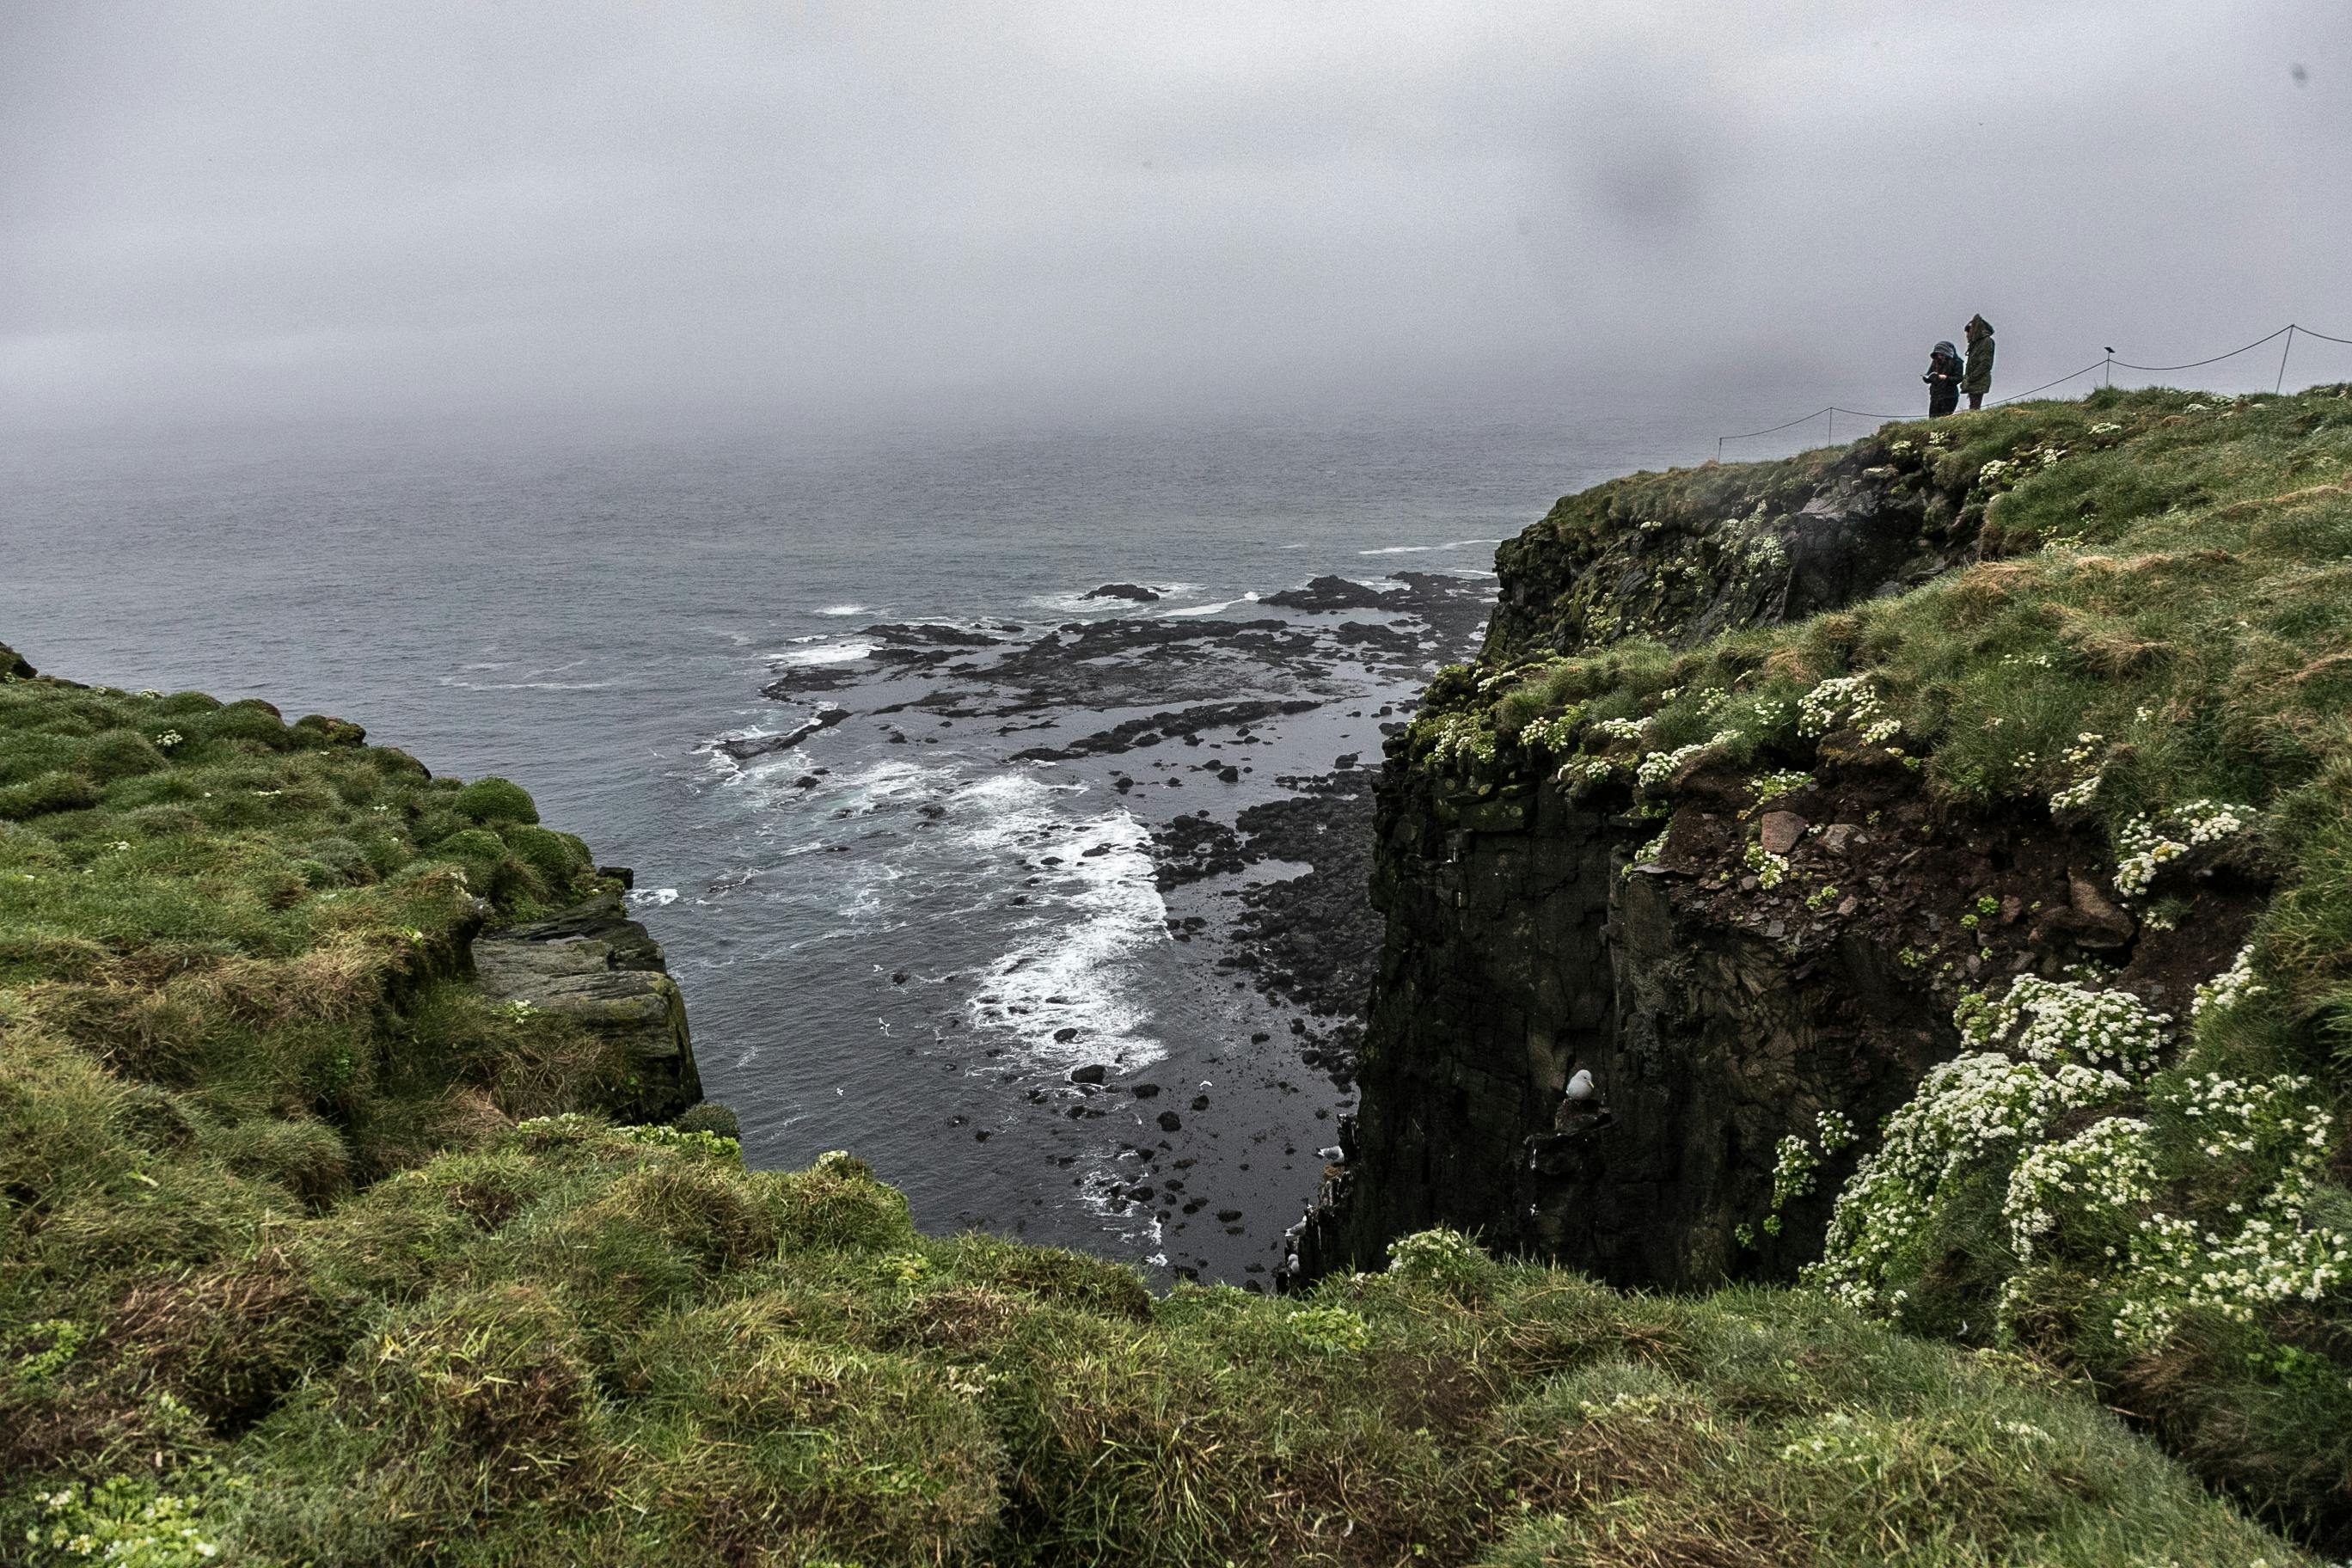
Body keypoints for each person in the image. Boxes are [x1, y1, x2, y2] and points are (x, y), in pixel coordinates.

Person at [1963, 314, 1995, 410]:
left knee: (1975, 407)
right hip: (1973, 379)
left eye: (1969, 331)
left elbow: (1985, 364)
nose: (1967, 335)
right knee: (1973, 406)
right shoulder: (1975, 343)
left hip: (1978, 379)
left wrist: (1972, 377)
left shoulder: (1986, 341)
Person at [1924, 340, 1963, 418]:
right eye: (1938, 355)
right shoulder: (1936, 361)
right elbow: (1930, 374)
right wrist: (1927, 378)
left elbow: (1958, 378)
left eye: (1942, 355)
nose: (1940, 357)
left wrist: (1946, 378)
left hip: (1949, 396)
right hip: (1935, 395)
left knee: (1945, 419)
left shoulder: (1957, 362)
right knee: (1933, 420)